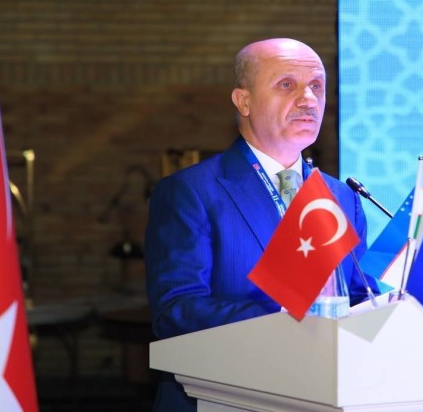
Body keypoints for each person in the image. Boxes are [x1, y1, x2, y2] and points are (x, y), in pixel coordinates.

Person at [144, 38, 378, 411]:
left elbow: (360, 297)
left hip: (325, 395)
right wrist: (285, 320)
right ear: (244, 101)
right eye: (287, 84)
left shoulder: (342, 197)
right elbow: (176, 311)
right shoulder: (192, 191)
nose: (308, 99)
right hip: (221, 396)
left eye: (316, 86)